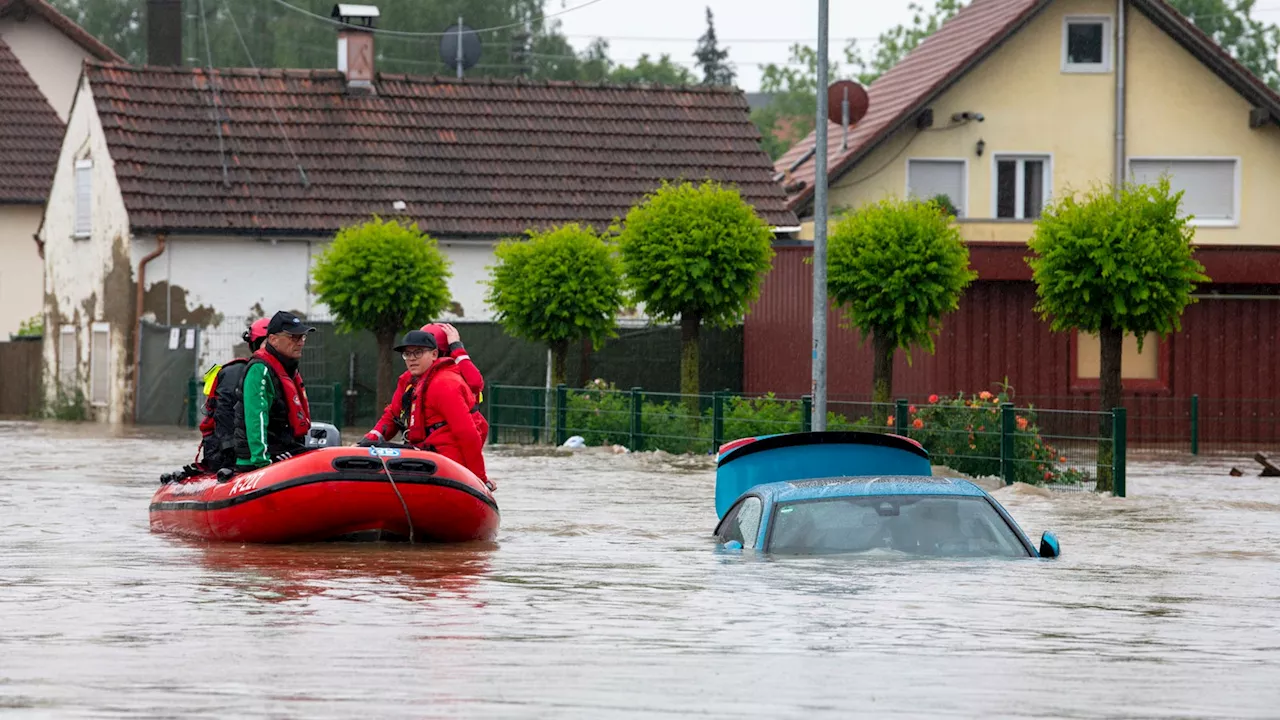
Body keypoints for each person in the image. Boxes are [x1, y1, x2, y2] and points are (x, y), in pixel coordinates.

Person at [359, 330, 491, 488]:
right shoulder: (411, 382)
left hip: (446, 465)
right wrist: (366, 443)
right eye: (407, 354)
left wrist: (479, 479)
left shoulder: (445, 384)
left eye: (418, 353)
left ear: (435, 354)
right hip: (424, 457)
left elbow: (468, 435)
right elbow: (393, 415)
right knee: (377, 450)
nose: (412, 358)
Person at [233, 310, 315, 470]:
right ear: (273, 339)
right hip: (260, 459)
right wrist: (263, 462)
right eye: (294, 337)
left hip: (284, 448)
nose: (301, 342)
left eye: (303, 337)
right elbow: (256, 418)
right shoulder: (259, 370)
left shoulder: (289, 369)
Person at [194, 317, 270, 472]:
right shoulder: (236, 373)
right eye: (268, 343)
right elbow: (225, 415)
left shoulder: (279, 373)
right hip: (226, 454)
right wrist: (231, 453)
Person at [421, 322, 488, 442]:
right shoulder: (413, 376)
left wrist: (457, 349)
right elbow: (393, 412)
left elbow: (475, 383)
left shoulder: (453, 374)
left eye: (420, 352)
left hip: (451, 439)